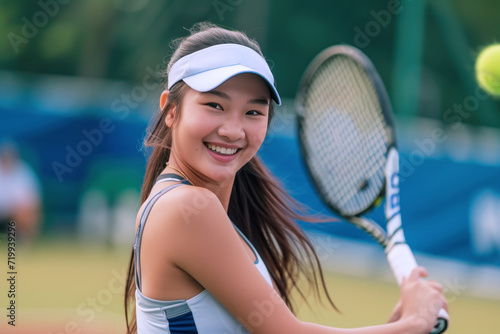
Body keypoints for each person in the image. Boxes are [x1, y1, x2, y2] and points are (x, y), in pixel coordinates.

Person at [124, 22, 447, 334]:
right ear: (170, 110)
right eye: (214, 105)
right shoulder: (188, 208)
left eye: (253, 112)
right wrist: (414, 323)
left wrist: (398, 327)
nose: (233, 130)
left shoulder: (206, 213)